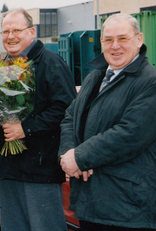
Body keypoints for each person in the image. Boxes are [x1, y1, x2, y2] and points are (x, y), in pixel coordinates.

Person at [0, 8, 76, 231]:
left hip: (40, 172)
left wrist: (25, 129)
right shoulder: (2, 67)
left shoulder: (51, 63)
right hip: (8, 170)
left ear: (31, 32)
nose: (10, 36)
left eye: (16, 30)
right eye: (5, 31)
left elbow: (66, 109)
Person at [59, 13, 156, 230]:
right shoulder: (95, 77)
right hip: (92, 202)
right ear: (101, 42)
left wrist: (81, 157)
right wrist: (69, 154)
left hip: (128, 209)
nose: (115, 46)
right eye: (108, 40)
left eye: (123, 39)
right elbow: (70, 118)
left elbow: (130, 134)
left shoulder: (150, 82)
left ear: (139, 40)